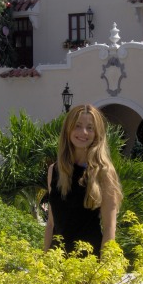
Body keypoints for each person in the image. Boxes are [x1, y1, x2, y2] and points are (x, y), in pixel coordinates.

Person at [44, 104, 123, 258]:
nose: (83, 132)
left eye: (90, 128)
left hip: (87, 264)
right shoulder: (54, 170)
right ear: (68, 129)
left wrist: (103, 273)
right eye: (77, 126)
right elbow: (52, 224)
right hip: (56, 263)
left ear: (97, 133)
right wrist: (43, 262)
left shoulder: (103, 172)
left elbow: (109, 227)